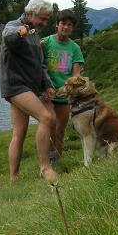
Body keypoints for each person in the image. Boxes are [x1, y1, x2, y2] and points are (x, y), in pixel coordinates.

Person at [0, 0, 57, 183]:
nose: (44, 23)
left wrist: (47, 85)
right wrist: (19, 33)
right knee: (46, 118)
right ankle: (45, 167)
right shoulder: (14, 26)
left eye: (47, 19)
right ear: (31, 14)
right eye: (42, 18)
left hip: (28, 87)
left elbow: (38, 65)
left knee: (19, 133)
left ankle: (14, 179)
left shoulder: (34, 34)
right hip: (16, 86)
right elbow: (8, 37)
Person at [42, 9, 84, 161]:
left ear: (72, 27)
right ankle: (46, 159)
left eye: (69, 25)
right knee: (49, 125)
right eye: (63, 24)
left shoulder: (74, 48)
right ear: (56, 24)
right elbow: (36, 65)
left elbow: (76, 74)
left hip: (64, 96)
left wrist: (68, 89)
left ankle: (57, 159)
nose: (65, 27)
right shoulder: (45, 42)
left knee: (60, 130)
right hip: (46, 94)